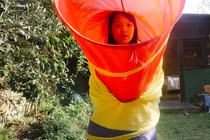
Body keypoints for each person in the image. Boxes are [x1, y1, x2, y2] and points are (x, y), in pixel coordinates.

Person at [87, 11, 164, 140]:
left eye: (129, 25)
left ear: (135, 28)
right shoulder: (99, 56)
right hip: (104, 127)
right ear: (110, 30)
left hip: (140, 127)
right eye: (118, 25)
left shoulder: (147, 56)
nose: (124, 30)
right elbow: (99, 86)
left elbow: (154, 84)